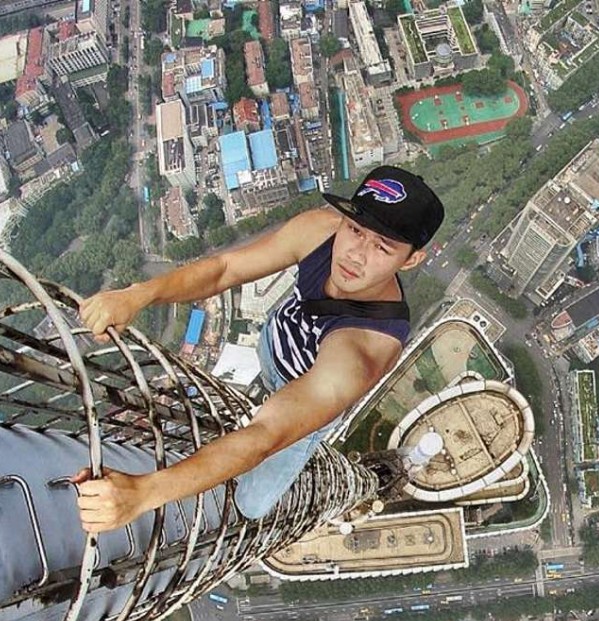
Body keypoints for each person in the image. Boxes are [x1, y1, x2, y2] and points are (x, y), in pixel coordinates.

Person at [73, 166, 445, 532]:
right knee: (264, 385)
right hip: (275, 346)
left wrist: (144, 493)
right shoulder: (319, 231)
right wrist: (139, 294)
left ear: (411, 259)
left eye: (382, 247)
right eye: (356, 229)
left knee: (251, 504)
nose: (355, 254)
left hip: (312, 396)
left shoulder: (363, 350)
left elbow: (266, 435)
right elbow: (225, 269)